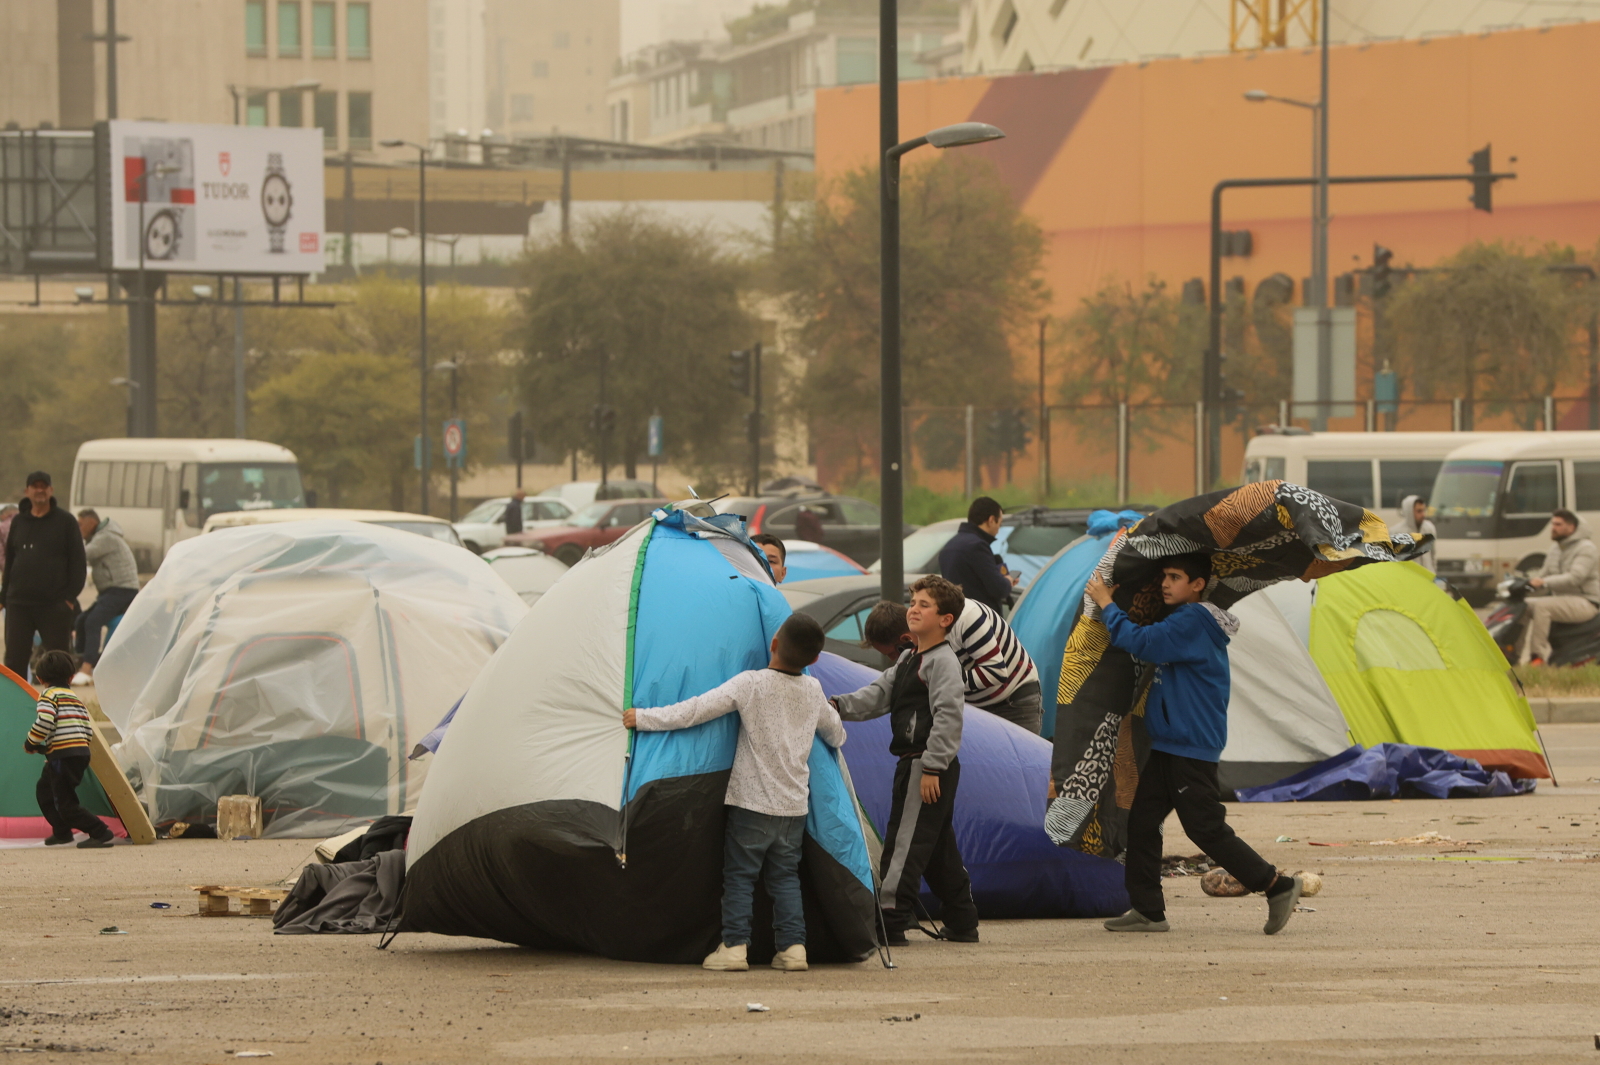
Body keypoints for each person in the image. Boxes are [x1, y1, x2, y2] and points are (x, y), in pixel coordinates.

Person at [1085, 556, 1300, 935]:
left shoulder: (1192, 621)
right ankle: (1148, 911)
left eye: (1175, 577)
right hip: (1170, 744)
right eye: (1164, 577)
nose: (1166, 584)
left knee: (1204, 828)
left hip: (1190, 746)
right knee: (1142, 822)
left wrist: (1106, 602)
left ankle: (1276, 885)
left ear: (1198, 584)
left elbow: (1141, 642)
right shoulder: (1185, 619)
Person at [623, 614, 844, 973]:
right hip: (793, 807)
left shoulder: (751, 683)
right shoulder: (813, 690)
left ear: (773, 644)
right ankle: (793, 949)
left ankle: (735, 948)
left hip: (751, 803)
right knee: (785, 878)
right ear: (815, 659)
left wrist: (644, 718)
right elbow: (837, 735)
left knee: (740, 876)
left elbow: (696, 710)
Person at [834, 575, 979, 945]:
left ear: (945, 619)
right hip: (914, 765)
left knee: (905, 843)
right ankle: (962, 920)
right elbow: (876, 696)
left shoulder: (943, 662)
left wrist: (933, 767)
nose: (913, 609)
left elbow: (948, 716)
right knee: (936, 849)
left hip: (925, 766)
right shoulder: (908, 658)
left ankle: (890, 920)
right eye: (913, 603)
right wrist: (835, 706)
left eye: (924, 605)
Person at [862, 597, 1042, 734]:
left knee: (1023, 771)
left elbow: (995, 673)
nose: (894, 659)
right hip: (975, 712)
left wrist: (940, 682)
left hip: (1014, 703)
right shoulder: (922, 643)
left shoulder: (965, 619)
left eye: (892, 654)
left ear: (906, 639)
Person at [24, 649, 114, 848]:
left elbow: (44, 721)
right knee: (45, 791)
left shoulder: (48, 695)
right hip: (77, 753)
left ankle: (100, 831)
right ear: (71, 677)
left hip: (62, 757)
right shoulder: (74, 698)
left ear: (40, 678)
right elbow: (87, 728)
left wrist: (31, 742)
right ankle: (62, 831)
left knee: (65, 803)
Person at [2, 472, 86, 680]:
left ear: (51, 490)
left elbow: (78, 561)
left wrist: (69, 597)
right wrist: (4, 597)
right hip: (19, 604)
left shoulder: (65, 521)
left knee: (58, 661)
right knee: (14, 660)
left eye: (44, 486)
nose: (40, 490)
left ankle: (60, 697)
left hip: (54, 605)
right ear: (27, 491)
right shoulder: (19, 521)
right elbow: (10, 561)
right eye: (35, 486)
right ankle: (16, 700)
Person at [1520, 508, 1600, 666]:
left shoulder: (1587, 548)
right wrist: (1524, 585)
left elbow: (1575, 578)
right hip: (1562, 600)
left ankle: (1537, 657)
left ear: (1571, 528)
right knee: (1523, 606)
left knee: (1543, 606)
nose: (1553, 528)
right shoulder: (1555, 549)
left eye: (1558, 524)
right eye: (1553, 524)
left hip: (1586, 602)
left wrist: (1544, 582)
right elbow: (1542, 575)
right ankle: (1511, 653)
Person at [71, 510, 140, 686]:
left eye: (80, 524)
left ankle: (87, 669)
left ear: (92, 522)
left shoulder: (106, 537)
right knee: (81, 620)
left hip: (122, 590)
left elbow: (82, 554)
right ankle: (80, 662)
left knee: (92, 622)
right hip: (110, 592)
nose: (78, 528)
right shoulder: (99, 536)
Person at [938, 497, 1016, 613]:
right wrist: (1008, 580)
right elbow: (998, 588)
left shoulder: (949, 545)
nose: (998, 530)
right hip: (979, 618)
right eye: (999, 524)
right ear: (991, 520)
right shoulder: (977, 546)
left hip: (957, 616)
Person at [1388, 495, 1437, 575]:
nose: (1423, 514)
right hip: (1407, 578)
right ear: (1409, 512)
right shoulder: (1396, 532)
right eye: (1419, 511)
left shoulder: (1429, 528)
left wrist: (1433, 573)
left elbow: (1433, 556)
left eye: (1424, 510)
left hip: (1427, 577)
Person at [0, 503, 18, 574]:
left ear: (4, 515)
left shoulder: (2, 527)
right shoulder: (28, 524)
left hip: (10, 568)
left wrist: (6, 569)